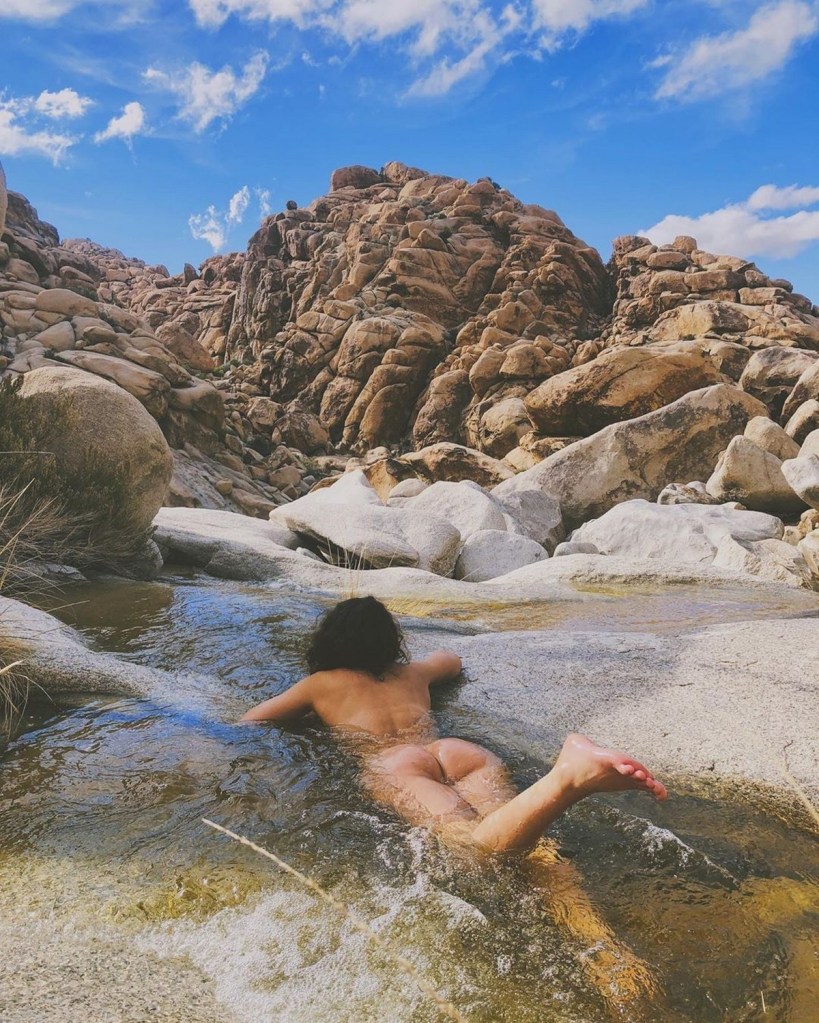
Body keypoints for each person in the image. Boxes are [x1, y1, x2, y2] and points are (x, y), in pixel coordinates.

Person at [241, 595, 666, 855]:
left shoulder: (320, 684)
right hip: (453, 751)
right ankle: (593, 936)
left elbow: (252, 721)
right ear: (390, 643)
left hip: (395, 763)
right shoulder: (412, 673)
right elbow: (453, 660)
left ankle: (567, 778)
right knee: (524, 841)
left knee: (475, 849)